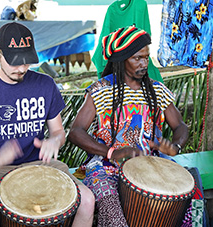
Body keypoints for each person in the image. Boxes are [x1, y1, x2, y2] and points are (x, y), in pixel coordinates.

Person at [0, 22, 95, 227]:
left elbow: (58, 132)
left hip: (40, 164)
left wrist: (54, 142)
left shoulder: (45, 85)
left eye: (26, 62)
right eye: (14, 62)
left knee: (87, 201)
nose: (21, 68)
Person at [68, 25, 189, 226]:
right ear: (121, 60)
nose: (144, 63)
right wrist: (110, 152)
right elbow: (75, 132)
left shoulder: (157, 90)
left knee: (186, 198)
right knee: (113, 212)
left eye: (146, 57)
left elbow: (180, 126)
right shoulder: (101, 90)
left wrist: (175, 145)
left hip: (149, 165)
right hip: (105, 168)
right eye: (137, 58)